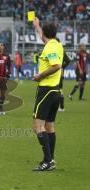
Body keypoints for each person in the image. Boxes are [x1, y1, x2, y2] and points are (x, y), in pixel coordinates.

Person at [32, 17, 63, 171]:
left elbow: (56, 65)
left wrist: (40, 76)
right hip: (56, 90)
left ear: (45, 33)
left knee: (38, 125)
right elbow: (45, 39)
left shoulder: (50, 48)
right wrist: (37, 26)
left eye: (41, 31)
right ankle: (50, 160)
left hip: (46, 90)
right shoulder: (56, 44)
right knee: (49, 126)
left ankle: (48, 161)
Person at [56, 39, 71, 111]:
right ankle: (60, 106)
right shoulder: (59, 50)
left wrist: (62, 67)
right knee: (57, 89)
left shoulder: (60, 50)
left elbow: (68, 60)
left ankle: (61, 107)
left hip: (58, 73)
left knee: (58, 89)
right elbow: (68, 61)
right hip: (56, 73)